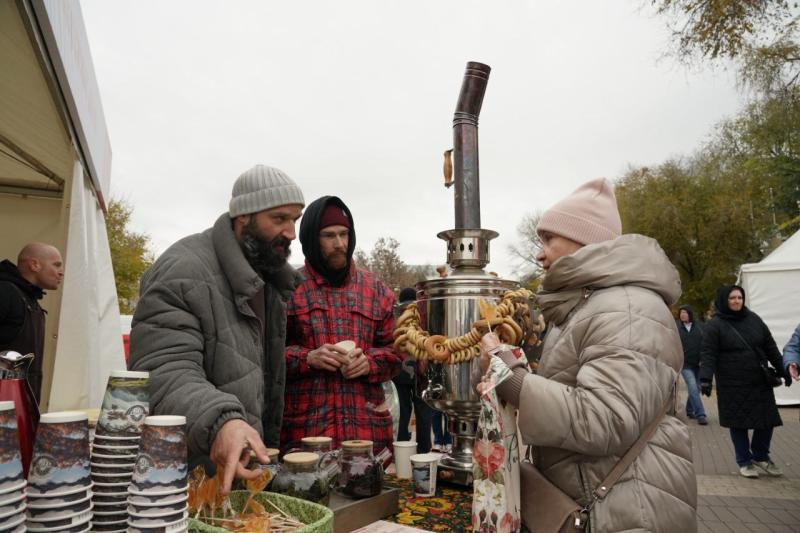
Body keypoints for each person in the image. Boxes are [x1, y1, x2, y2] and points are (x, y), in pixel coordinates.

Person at [480, 179, 696, 532]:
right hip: (599, 505)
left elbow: (605, 418)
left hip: (627, 511)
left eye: (549, 239)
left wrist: (513, 378)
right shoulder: (590, 307)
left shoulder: (627, 308)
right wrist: (505, 362)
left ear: (586, 240)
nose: (539, 253)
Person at [129, 165, 305, 493]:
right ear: (243, 218)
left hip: (242, 472)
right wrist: (222, 421)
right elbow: (164, 373)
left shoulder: (269, 274)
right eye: (279, 219)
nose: (291, 233)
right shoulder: (183, 272)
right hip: (189, 480)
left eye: (294, 219)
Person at [282, 196, 402, 454]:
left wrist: (369, 363)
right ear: (312, 239)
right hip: (307, 435)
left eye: (344, 234)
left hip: (366, 435)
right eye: (329, 236)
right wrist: (309, 358)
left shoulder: (376, 290)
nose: (339, 244)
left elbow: (397, 351)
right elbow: (264, 357)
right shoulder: (288, 289)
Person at [699, 284, 787, 479]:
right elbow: (708, 353)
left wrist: (784, 370)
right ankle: (744, 461)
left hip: (759, 380)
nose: (736, 301)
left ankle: (761, 456)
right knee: (738, 424)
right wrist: (705, 378)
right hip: (732, 383)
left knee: (767, 420)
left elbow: (770, 347)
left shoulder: (754, 319)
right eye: (732, 298)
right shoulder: (715, 325)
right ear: (724, 300)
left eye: (739, 297)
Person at [0, 243, 64, 403]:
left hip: (23, 404)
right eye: (56, 265)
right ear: (35, 265)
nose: (61, 272)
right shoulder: (5, 292)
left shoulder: (30, 300)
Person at [392, 288, 432, 453]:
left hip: (398, 368)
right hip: (420, 368)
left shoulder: (394, 314)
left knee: (402, 410)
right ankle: (423, 451)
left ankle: (400, 449)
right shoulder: (421, 312)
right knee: (423, 411)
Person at [677, 305, 708, 425]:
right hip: (685, 365)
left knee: (696, 389)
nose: (682, 315)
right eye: (681, 313)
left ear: (690, 314)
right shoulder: (677, 328)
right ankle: (700, 414)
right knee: (693, 387)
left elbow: (706, 343)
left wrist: (704, 359)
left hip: (700, 364)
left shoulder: (700, 327)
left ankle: (689, 410)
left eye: (684, 312)